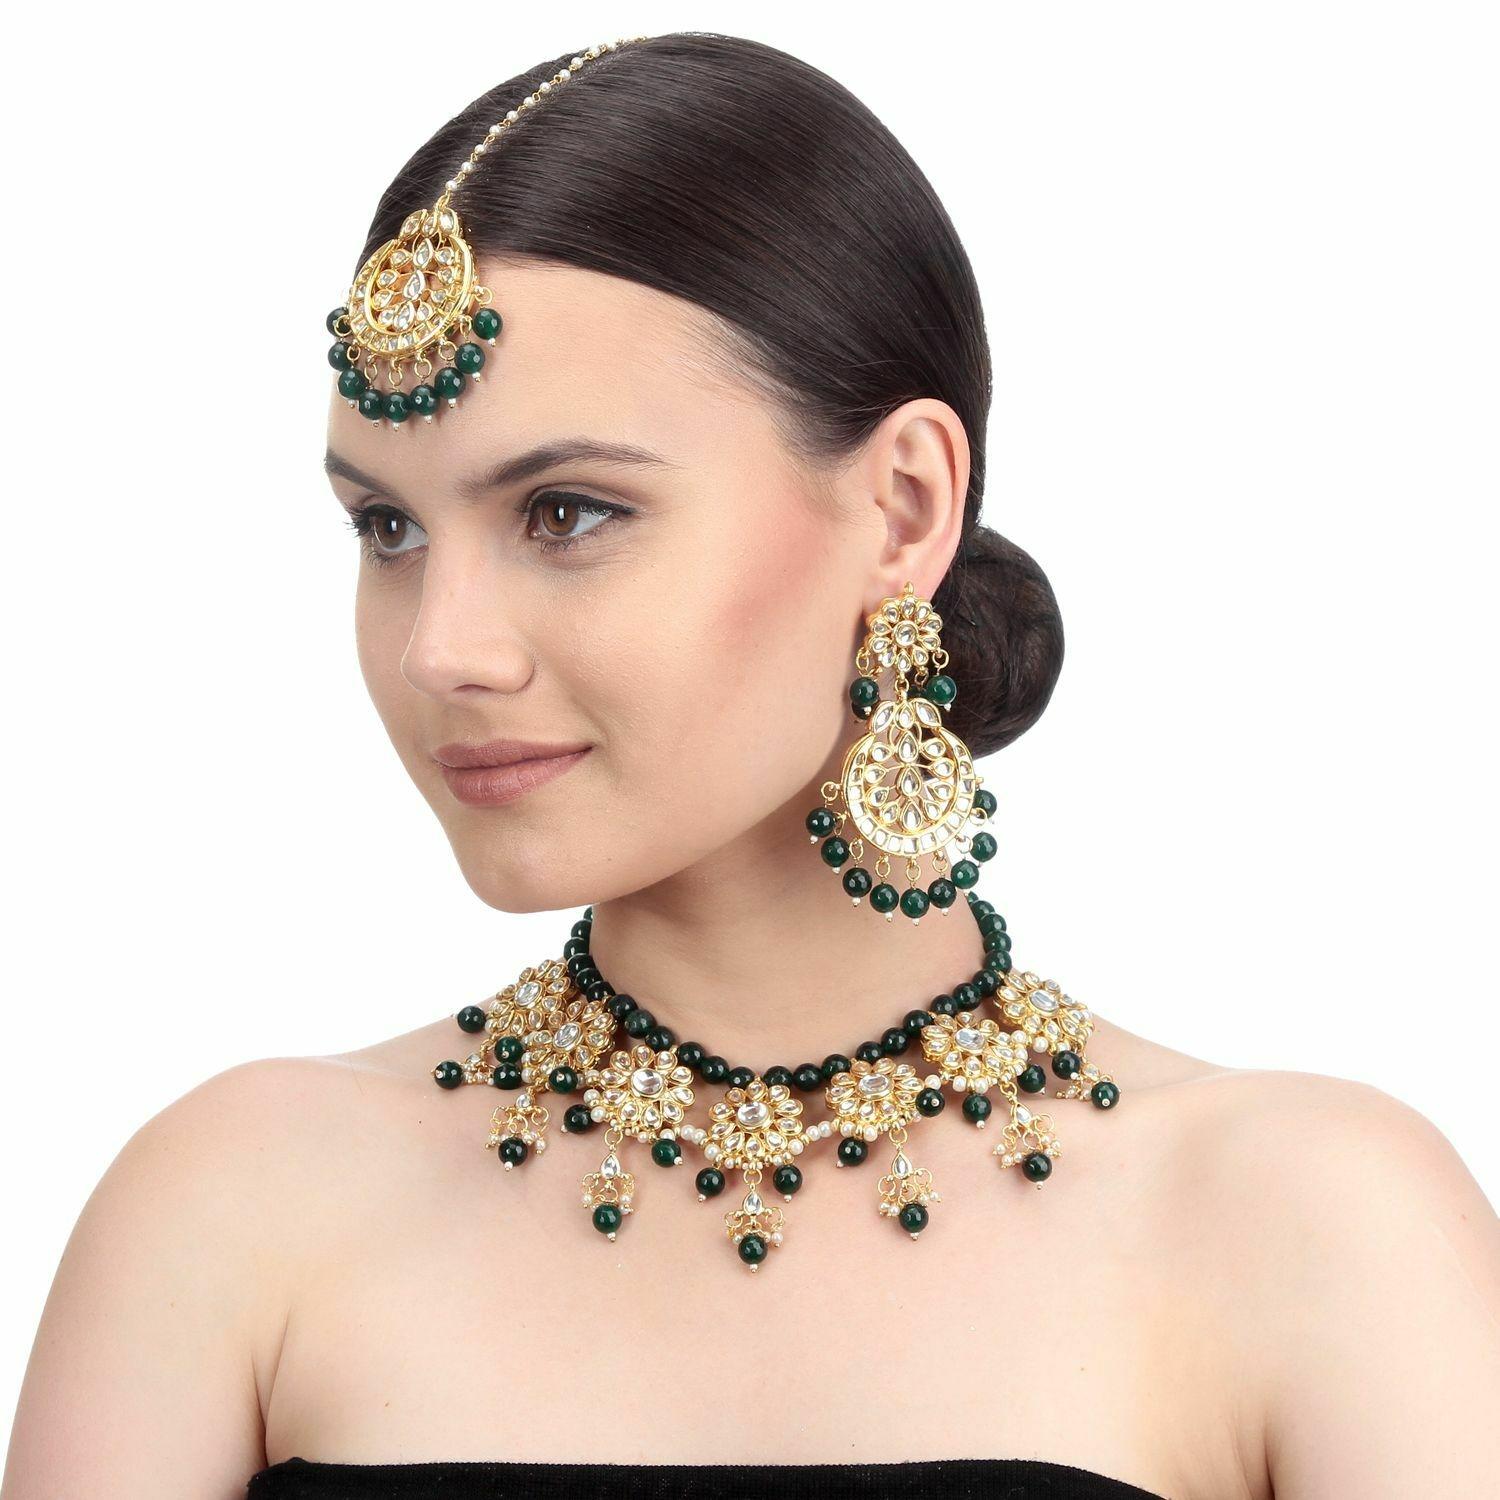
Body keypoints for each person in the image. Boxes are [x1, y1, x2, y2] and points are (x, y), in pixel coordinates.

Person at [5, 31, 1497, 1500]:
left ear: (902, 509)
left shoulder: (1316, 1230)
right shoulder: (231, 1215)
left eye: (567, 512)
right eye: (387, 528)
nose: (439, 650)